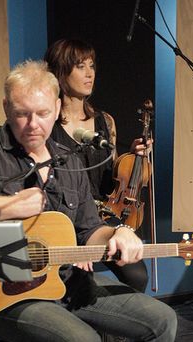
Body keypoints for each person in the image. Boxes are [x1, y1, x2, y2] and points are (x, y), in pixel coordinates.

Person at [0, 60, 176, 342]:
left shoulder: (69, 161)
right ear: (6, 108)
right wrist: (7, 206)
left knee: (162, 320)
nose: (33, 125)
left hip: (67, 283)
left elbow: (89, 229)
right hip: (6, 294)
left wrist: (117, 234)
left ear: (56, 107)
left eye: (42, 114)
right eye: (21, 114)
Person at [45, 38, 149, 292]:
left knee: (137, 275)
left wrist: (135, 157)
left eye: (92, 65)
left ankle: (118, 326)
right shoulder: (47, 125)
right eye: (80, 66)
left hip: (101, 216)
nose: (89, 73)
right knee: (77, 282)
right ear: (60, 72)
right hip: (66, 218)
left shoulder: (106, 121)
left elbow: (111, 174)